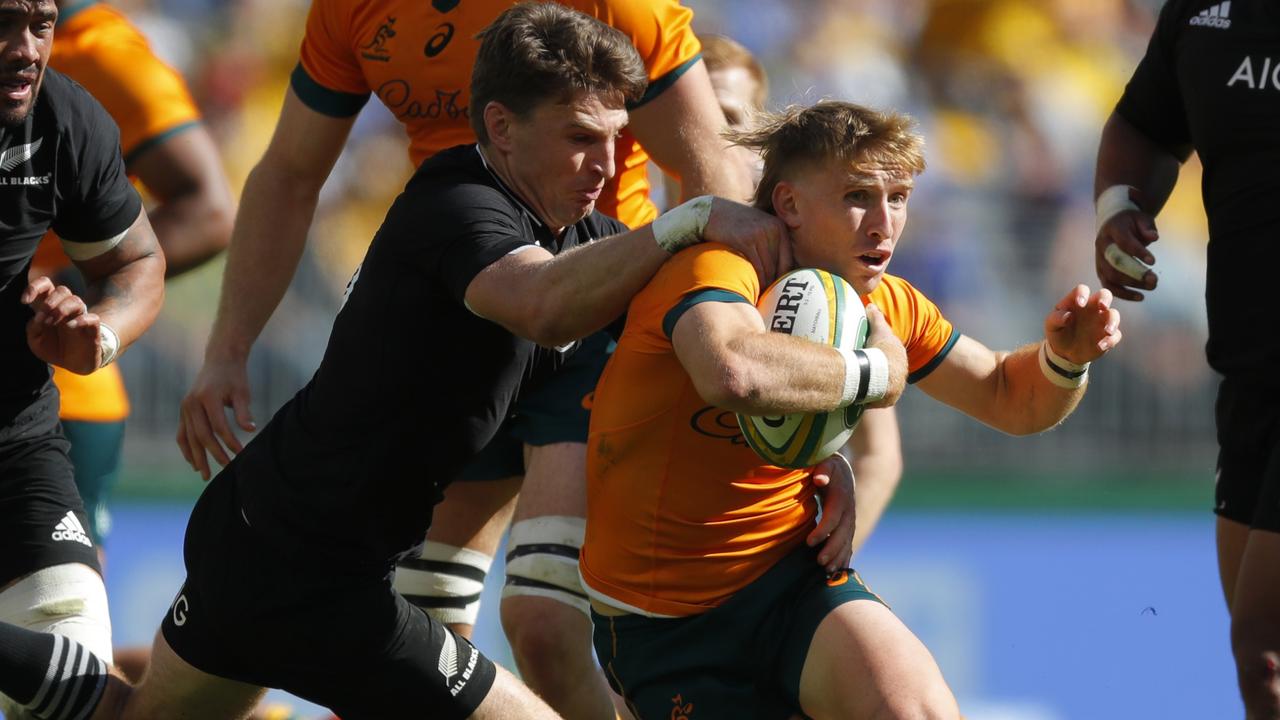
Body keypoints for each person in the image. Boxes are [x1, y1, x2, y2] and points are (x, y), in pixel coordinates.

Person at [0, 6, 790, 719]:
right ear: (501, 128)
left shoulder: (572, 236)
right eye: (581, 138)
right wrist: (683, 220)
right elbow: (543, 304)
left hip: (259, 538)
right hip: (319, 574)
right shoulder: (460, 205)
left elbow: (645, 310)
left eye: (617, 140)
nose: (606, 165)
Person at [581, 100, 1123, 719]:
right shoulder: (719, 265)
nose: (884, 223)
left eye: (899, 197)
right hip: (665, 622)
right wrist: (877, 373)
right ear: (787, 205)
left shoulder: (884, 302)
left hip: (788, 581)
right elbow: (732, 371)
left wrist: (1064, 358)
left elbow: (1008, 394)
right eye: (858, 196)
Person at [1092, 1, 1280, 715]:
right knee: (1251, 655)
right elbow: (1145, 123)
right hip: (1251, 370)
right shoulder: (1201, 12)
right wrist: (1117, 205)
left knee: (1267, 649)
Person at [0, 0, 166, 717]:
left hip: (17, 442)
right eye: (3, 21)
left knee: (73, 682)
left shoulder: (63, 118)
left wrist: (96, 334)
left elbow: (137, 260)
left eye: (40, 22)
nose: (25, 49)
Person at [29, 0, 233, 557]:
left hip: (54, 388)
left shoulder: (101, 54)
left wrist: (57, 284)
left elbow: (210, 210)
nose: (25, 46)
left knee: (60, 617)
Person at [695, 31, 905, 556]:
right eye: (698, 116)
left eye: (732, 117)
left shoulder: (816, 266)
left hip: (746, 557)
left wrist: (838, 540)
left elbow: (880, 452)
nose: (708, 135)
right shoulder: (630, 238)